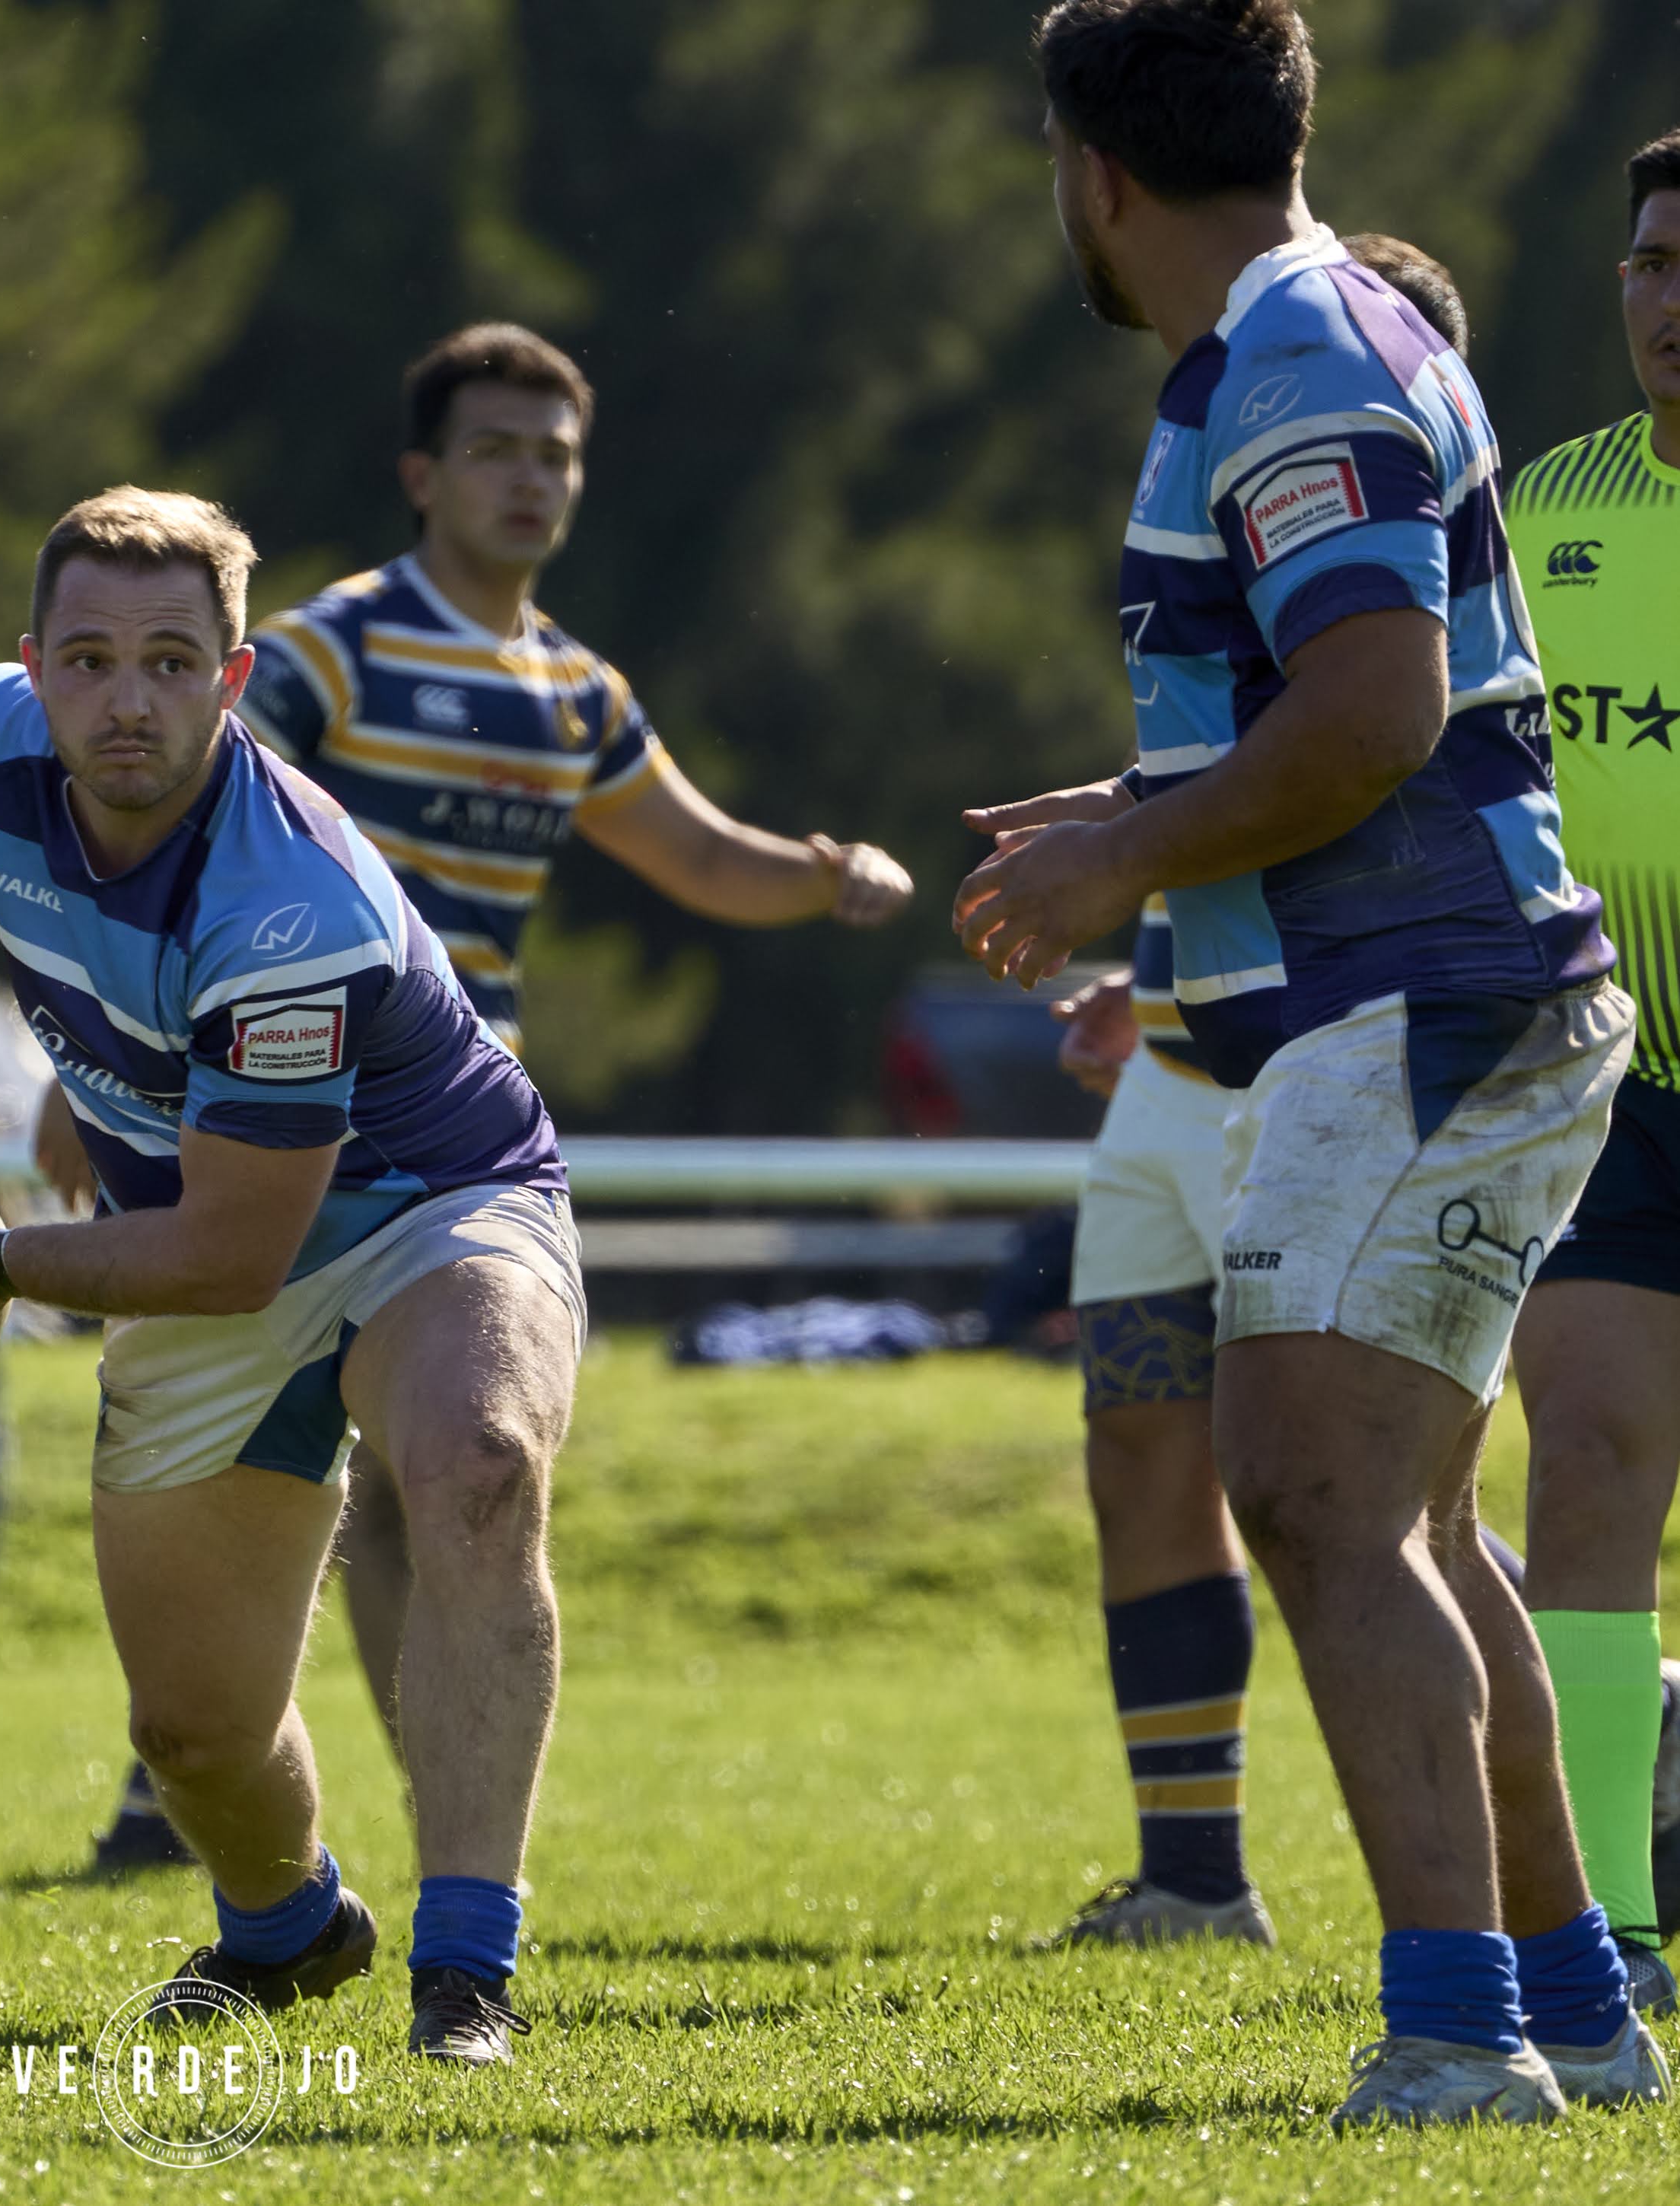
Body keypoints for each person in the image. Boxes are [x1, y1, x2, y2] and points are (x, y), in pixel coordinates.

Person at [963, 0, 1647, 2124]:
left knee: (1315, 1494)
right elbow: (1344, 705)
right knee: (1407, 1519)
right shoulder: (1315, 334)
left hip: (1419, 1005)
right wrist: (1126, 812)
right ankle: (1571, 2005)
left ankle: (1456, 2036)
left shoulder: (1292, 363)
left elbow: (1371, 712)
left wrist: (1122, 859)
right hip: (1438, 997)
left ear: (1094, 172)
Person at [67, 323, 914, 1872]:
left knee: (440, 1473)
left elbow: (693, 851)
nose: (530, 481)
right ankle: (193, 1753)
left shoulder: (572, 689)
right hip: (259, 1096)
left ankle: (429, 1815)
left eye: (555, 456)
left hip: (449, 1137)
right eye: (494, 451)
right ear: (421, 474)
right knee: (252, 1450)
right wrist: (115, 1063)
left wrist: (820, 875)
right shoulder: (328, 651)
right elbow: (176, 824)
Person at [0, 488, 584, 2065]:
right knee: (191, 1737)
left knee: (479, 1464)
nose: (125, 699)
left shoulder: (287, 900)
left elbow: (231, 1252)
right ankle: (287, 1926)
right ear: (32, 667)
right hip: (194, 1223)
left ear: (231, 674)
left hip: (428, 1204)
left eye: (168, 662)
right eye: (87, 660)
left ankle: (465, 1976)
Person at [1036, 234, 1478, 1955]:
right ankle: (1194, 1875)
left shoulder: (1364, 519)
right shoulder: (1239, 491)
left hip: (1321, 1074)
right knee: (1142, 1452)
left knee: (1378, 1501)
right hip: (1164, 1088)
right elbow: (1217, 780)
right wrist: (1133, 956)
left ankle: (1590, 1810)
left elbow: (1347, 762)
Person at [1497, 128, 1680, 2019]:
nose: (1666, 300)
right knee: (1590, 1465)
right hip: (1606, 1076)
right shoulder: (1546, 505)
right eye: (1648, 262)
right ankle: (1609, 1924)